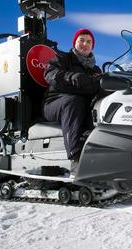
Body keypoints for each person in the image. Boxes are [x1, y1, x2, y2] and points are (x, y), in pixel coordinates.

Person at [43, 28, 104, 176]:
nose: (85, 44)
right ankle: (76, 158)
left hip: (81, 105)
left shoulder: (95, 69)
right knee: (74, 101)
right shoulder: (63, 58)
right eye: (81, 40)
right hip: (55, 102)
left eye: (89, 41)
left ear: (92, 46)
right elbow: (50, 74)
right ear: (75, 42)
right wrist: (72, 77)